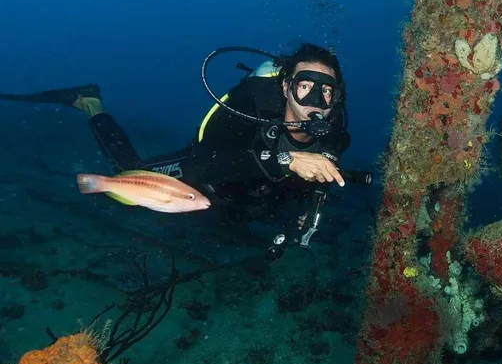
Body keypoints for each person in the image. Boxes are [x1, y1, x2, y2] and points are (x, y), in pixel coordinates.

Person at [1, 43, 351, 224]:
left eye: (327, 91)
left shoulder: (334, 137)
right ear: (287, 86)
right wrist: (285, 160)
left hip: (237, 201)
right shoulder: (250, 106)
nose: (315, 100)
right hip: (203, 173)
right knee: (129, 170)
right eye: (306, 86)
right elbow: (203, 165)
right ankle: (89, 102)